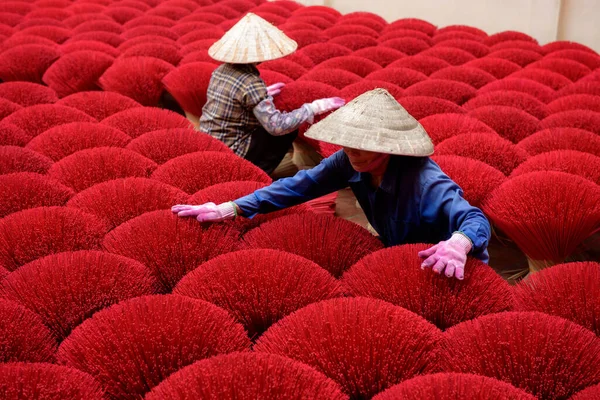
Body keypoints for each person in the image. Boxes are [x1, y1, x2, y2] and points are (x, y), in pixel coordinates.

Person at [173, 89, 492, 280]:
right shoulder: (348, 160)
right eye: (347, 143)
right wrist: (232, 207)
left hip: (449, 268)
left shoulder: (424, 180)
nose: (351, 151)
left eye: (361, 144)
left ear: (387, 145)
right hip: (398, 257)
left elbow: (474, 219)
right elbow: (298, 186)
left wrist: (458, 245)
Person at [200, 13, 345, 174]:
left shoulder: (219, 71)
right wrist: (312, 108)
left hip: (208, 142)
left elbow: (232, 100)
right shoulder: (251, 82)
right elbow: (277, 127)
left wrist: (262, 96)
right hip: (233, 151)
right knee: (285, 132)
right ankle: (255, 174)